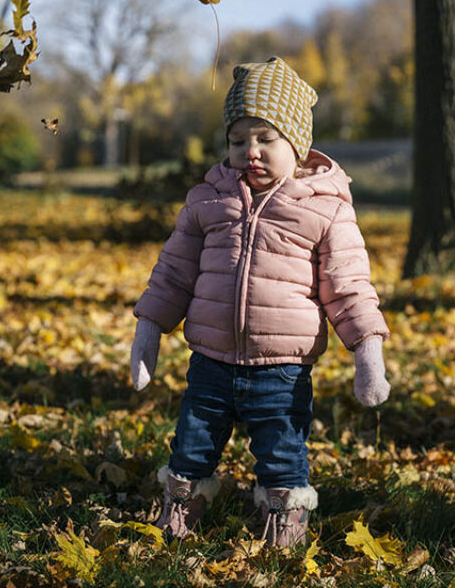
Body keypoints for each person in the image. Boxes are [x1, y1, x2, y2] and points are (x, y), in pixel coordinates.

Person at [129, 56, 390, 547]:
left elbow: (349, 286)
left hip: (282, 369)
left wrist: (367, 352)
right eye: (238, 140)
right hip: (210, 361)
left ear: (297, 144)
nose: (250, 151)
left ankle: (284, 515)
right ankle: (182, 502)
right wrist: (149, 330)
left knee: (282, 449)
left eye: (265, 138)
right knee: (192, 441)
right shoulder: (208, 201)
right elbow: (173, 273)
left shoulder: (325, 209)